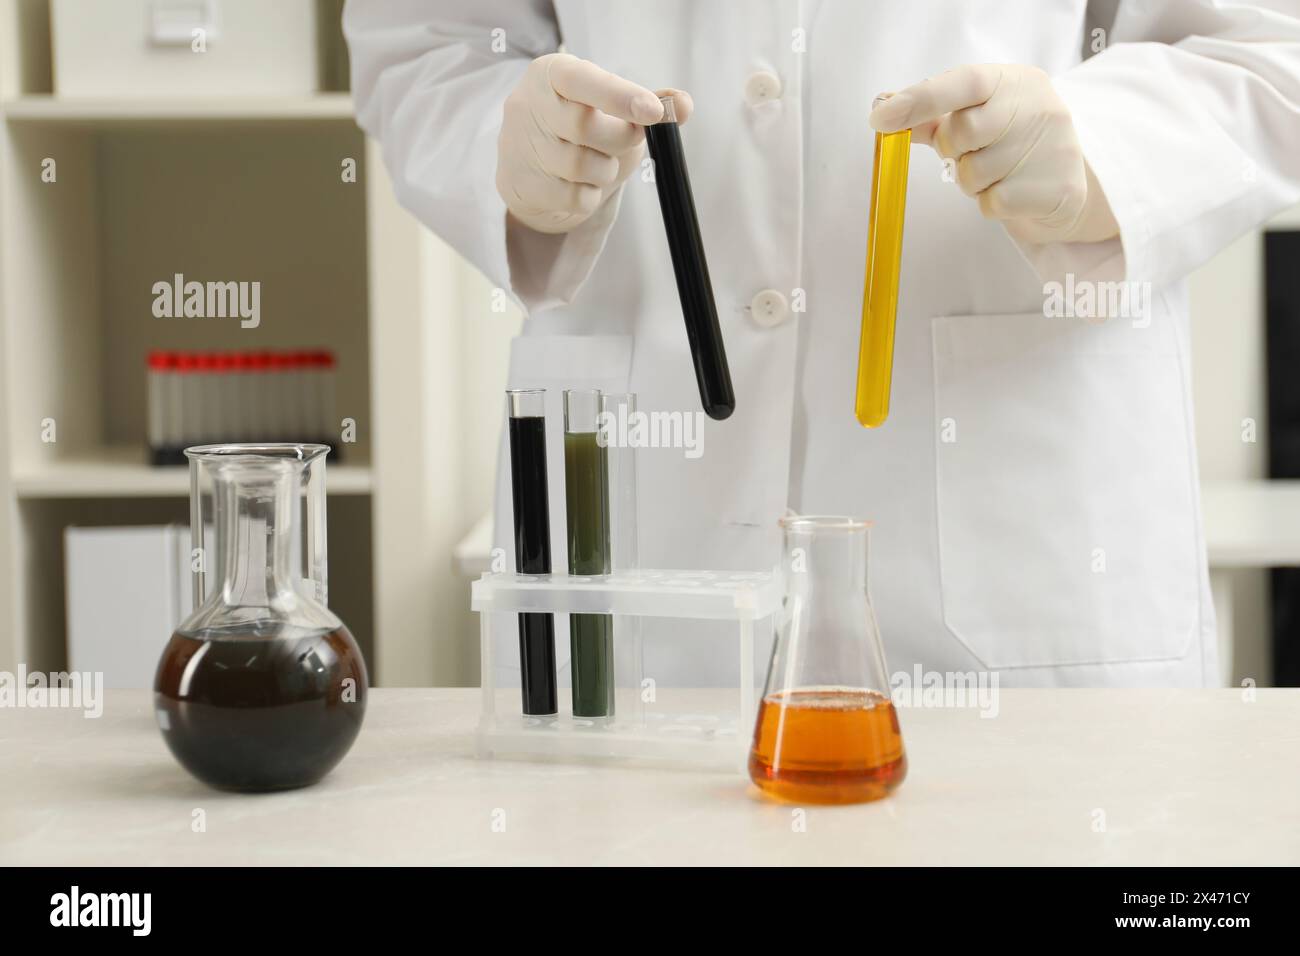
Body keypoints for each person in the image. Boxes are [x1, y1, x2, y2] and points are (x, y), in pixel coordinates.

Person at [344, 0, 1300, 688]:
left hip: (1022, 542)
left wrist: (1096, 152)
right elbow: (426, 46)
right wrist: (507, 143)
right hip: (654, 562)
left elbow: (1267, 44)